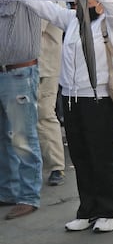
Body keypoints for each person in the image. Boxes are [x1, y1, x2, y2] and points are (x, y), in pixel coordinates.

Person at [24, 0, 113, 232]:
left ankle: (109, 210)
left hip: (100, 100)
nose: (82, 1)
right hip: (71, 98)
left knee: (102, 157)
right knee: (81, 157)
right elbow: (42, 6)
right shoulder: (71, 21)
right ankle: (88, 209)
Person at [0, 0, 44, 219]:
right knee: (5, 136)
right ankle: (9, 191)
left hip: (19, 74)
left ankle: (28, 195)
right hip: (3, 73)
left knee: (22, 136)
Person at [38, 20, 66, 187]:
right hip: (16, 66)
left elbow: (33, 28)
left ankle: (56, 166)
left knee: (44, 116)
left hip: (44, 67)